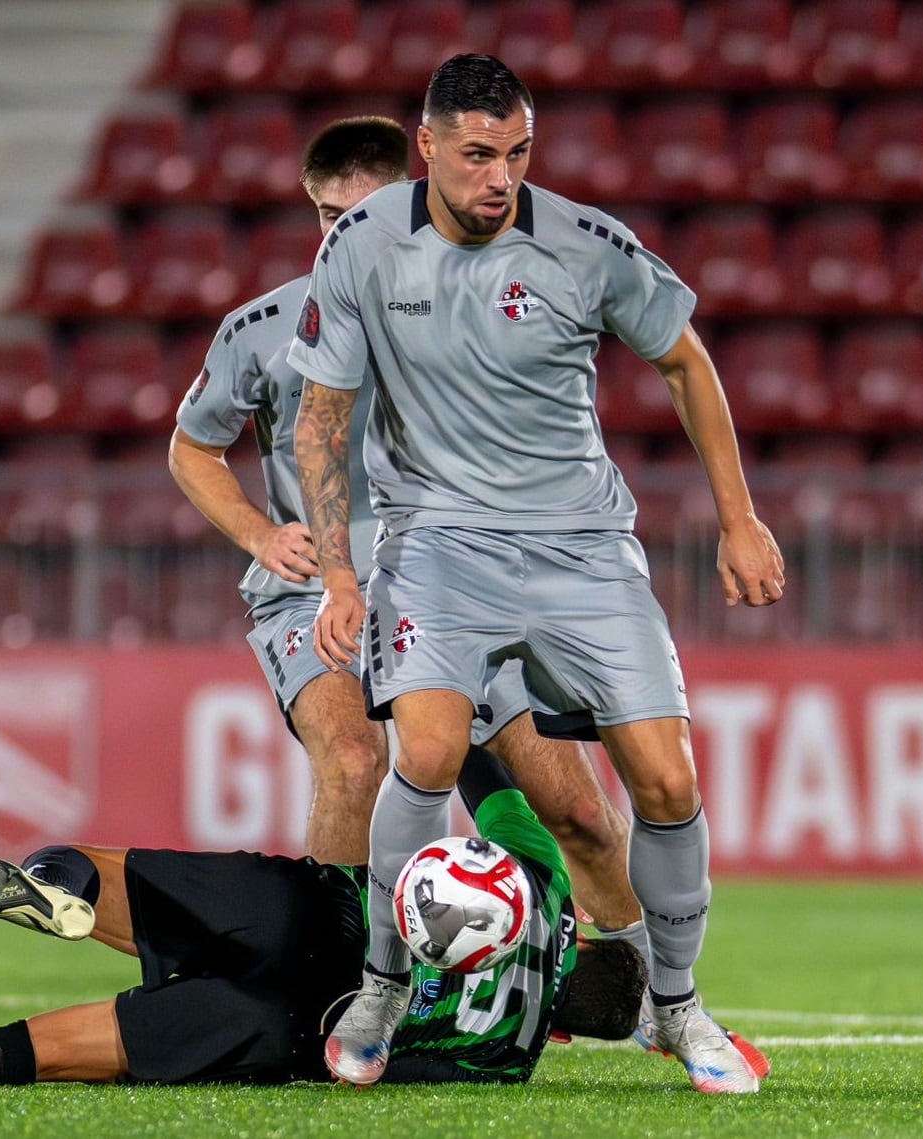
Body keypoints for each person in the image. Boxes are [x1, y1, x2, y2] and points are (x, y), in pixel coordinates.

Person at [289, 55, 784, 1094]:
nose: (499, 177)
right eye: (477, 154)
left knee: (666, 781)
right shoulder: (362, 246)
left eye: (516, 153)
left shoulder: (584, 244)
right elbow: (321, 418)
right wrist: (339, 573)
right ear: (426, 146)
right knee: (426, 751)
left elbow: (685, 361)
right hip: (437, 542)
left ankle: (676, 1005)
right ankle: (382, 984)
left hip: (582, 547)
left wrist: (739, 520)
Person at [168, 116, 646, 951]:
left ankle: (646, 990)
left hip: (463, 578)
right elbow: (191, 446)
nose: (344, 235)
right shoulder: (262, 328)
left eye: (366, 214)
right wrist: (258, 534)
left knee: (578, 810)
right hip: (317, 591)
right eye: (329, 216)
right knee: (355, 761)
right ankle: (334, 984)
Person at [0, 747, 649, 1088]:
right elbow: (378, 1068)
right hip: (286, 1025)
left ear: (593, 935)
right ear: (568, 1030)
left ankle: (59, 890)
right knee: (32, 1053)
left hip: (317, 913)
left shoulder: (544, 882)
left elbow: (473, 759)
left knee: (88, 863)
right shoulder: (507, 1059)